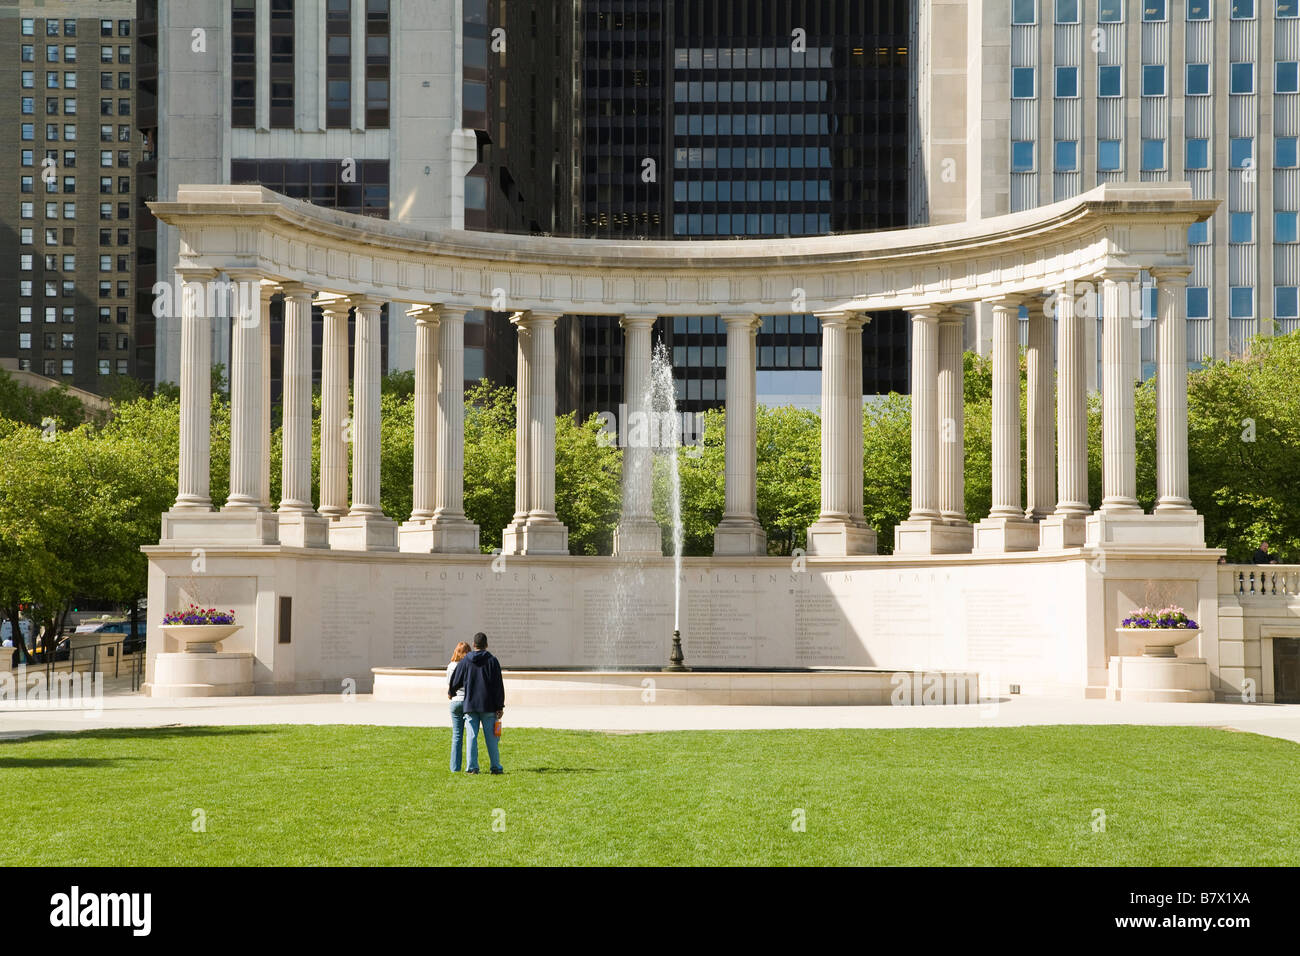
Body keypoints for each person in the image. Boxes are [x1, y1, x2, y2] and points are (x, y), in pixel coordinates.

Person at [448, 632, 505, 775]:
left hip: (471, 704)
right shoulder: (492, 661)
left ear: (474, 645)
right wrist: (499, 706)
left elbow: (456, 679)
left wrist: (451, 691)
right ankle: (495, 767)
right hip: (488, 705)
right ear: (486, 645)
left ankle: (472, 767)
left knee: (471, 736)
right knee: (491, 739)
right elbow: (498, 685)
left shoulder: (466, 660)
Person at [446, 641, 471, 773]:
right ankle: (471, 766)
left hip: (455, 702)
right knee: (470, 735)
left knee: (457, 736)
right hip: (467, 702)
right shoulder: (468, 665)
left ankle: (455, 767)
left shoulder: (450, 666)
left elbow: (449, 686)